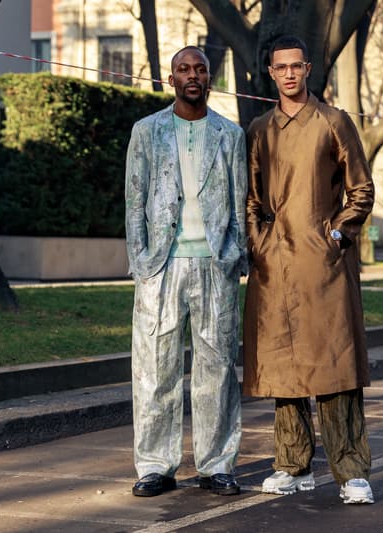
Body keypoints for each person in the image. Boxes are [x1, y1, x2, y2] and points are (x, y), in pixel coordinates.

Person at [242, 35, 376, 504]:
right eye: (281, 68)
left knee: (335, 366)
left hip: (324, 263)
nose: (289, 74)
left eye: (296, 66)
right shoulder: (260, 128)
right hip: (275, 261)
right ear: (271, 74)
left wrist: (336, 235)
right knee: (285, 366)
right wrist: (260, 244)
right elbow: (253, 198)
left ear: (309, 68)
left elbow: (361, 190)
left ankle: (351, 470)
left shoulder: (334, 121)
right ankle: (292, 464)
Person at [124, 45, 247, 498]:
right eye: (183, 69)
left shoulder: (229, 134)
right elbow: (134, 199)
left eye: (199, 69)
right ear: (170, 78)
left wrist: (236, 253)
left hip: (216, 265)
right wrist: (140, 261)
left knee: (216, 367)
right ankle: (156, 464)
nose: (192, 75)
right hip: (161, 265)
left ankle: (217, 465)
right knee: (155, 368)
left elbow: (239, 200)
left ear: (209, 79)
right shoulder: (146, 131)